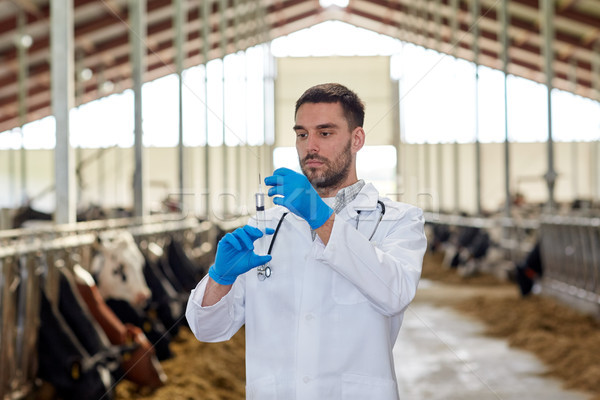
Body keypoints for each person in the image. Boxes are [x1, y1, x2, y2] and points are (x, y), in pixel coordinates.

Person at [186, 83, 427, 399]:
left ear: (357, 139)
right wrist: (221, 278)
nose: (310, 146)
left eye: (324, 133)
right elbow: (209, 330)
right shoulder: (265, 227)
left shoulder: (397, 220)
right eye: (302, 134)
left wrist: (320, 218)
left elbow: (395, 293)